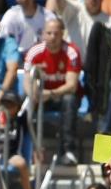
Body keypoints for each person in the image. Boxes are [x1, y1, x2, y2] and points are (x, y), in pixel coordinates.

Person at [24, 19, 81, 166]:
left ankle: (68, 150)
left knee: (69, 100)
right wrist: (34, 95)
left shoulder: (71, 51)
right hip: (41, 96)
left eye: (56, 33)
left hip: (62, 96)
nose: (52, 37)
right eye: (49, 33)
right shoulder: (34, 52)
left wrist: (50, 93)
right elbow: (27, 82)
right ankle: (26, 152)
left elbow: (72, 86)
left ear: (62, 34)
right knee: (23, 106)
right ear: (43, 34)